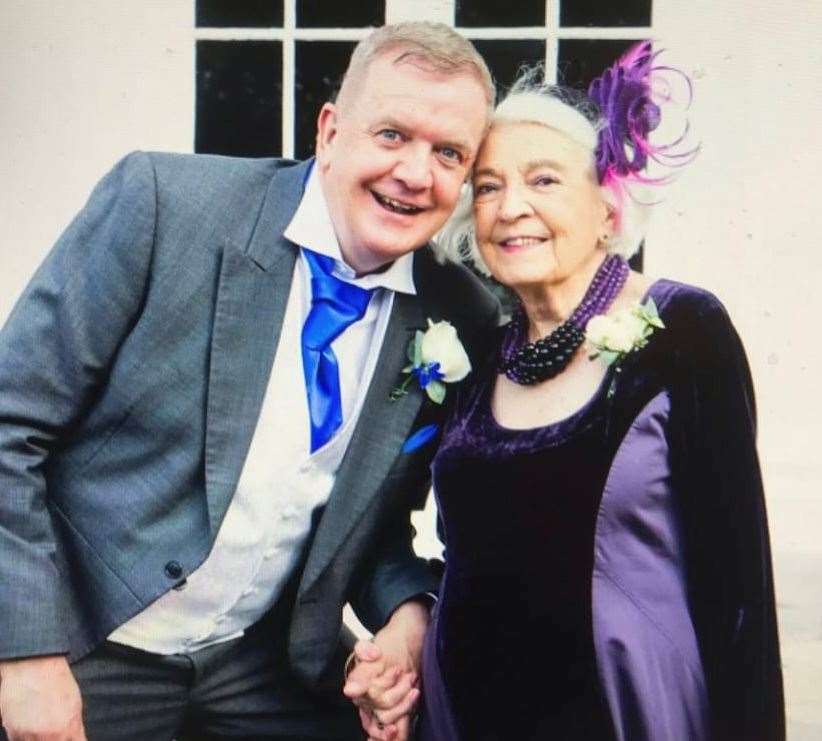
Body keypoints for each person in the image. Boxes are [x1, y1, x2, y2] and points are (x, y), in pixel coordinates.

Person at [0, 22, 499, 741]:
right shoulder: (165, 206)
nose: (416, 174)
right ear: (330, 131)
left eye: (448, 153)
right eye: (391, 135)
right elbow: (11, 424)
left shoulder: (459, 312)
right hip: (87, 646)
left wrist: (407, 614)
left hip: (263, 669)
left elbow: (372, 523)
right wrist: (26, 655)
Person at [413, 42, 784, 740]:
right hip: (467, 718)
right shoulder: (478, 360)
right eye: (488, 186)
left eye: (544, 180)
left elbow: (740, 594)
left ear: (608, 210)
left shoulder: (683, 330)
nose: (509, 207)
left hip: (627, 716)